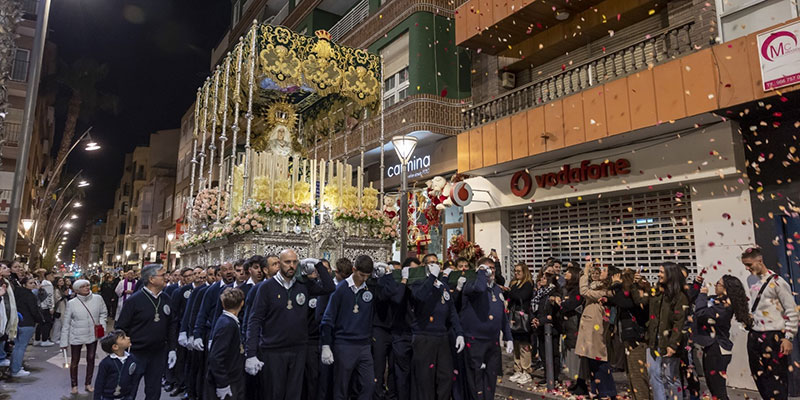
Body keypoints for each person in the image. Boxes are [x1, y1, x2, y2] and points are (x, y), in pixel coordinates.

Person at [245, 249, 335, 400]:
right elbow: (254, 320)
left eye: (294, 262)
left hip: (298, 349)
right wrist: (251, 354)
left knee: (294, 394)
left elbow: (329, 287)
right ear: (279, 264)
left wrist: (318, 264)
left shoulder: (303, 284)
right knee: (274, 394)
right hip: (273, 350)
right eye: (287, 262)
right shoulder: (266, 287)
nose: (291, 265)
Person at [320, 254, 382, 400]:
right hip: (344, 344)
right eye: (361, 275)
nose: (364, 279)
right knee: (341, 387)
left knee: (369, 384)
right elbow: (327, 318)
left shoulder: (370, 288)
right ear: (354, 270)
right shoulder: (340, 289)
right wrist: (326, 345)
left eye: (367, 275)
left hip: (364, 345)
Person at [741, 248, 798, 400]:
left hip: (773, 335)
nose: (747, 268)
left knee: (777, 378)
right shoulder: (750, 279)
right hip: (755, 334)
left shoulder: (778, 282)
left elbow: (792, 310)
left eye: (749, 264)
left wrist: (788, 337)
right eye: (745, 265)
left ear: (760, 261)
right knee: (759, 376)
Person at [115, 264, 178, 400]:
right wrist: (121, 352)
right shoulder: (134, 300)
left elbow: (172, 324)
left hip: (158, 353)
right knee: (130, 389)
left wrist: (172, 348)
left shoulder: (166, 299)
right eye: (163, 275)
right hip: (136, 353)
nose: (167, 278)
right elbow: (121, 327)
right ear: (151, 279)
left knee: (154, 391)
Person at [459, 257, 513, 400]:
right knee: (476, 379)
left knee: (491, 377)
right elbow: (480, 288)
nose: (491, 271)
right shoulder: (471, 285)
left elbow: (502, 315)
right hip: (475, 340)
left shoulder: (496, 289)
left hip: (492, 341)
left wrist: (508, 337)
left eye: (493, 268)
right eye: (487, 268)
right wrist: (481, 273)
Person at [409, 262, 465, 400]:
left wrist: (459, 333)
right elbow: (420, 296)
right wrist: (432, 277)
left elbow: (452, 312)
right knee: (425, 378)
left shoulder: (442, 286)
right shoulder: (418, 284)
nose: (435, 266)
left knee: (446, 375)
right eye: (431, 263)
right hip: (424, 335)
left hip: (441, 336)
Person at [694, 274, 752, 400]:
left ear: (726, 289)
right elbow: (695, 301)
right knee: (712, 387)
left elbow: (702, 314)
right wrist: (697, 285)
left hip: (718, 348)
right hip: (711, 346)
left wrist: (702, 295)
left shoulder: (725, 307)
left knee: (718, 389)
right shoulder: (715, 300)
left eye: (718, 284)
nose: (715, 285)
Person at [643, 262, 689, 400]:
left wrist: (673, 344)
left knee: (670, 377)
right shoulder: (657, 292)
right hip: (654, 340)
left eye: (662, 272)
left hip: (669, 341)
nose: (659, 275)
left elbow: (679, 322)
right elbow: (644, 301)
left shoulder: (680, 296)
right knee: (653, 374)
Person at [606, 268, 650, 400]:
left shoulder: (636, 294)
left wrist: (616, 285)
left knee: (637, 375)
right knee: (631, 373)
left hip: (636, 338)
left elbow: (623, 302)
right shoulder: (629, 294)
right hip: (629, 337)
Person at [575, 262, 616, 399]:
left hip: (596, 327)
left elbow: (584, 291)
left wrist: (585, 272)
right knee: (593, 360)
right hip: (590, 325)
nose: (600, 272)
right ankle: (596, 390)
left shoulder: (605, 290)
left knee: (599, 360)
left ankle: (606, 391)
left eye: (603, 271)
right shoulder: (598, 286)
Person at [60, 279, 108, 393]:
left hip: (92, 334)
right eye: (82, 286)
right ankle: (74, 385)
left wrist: (102, 326)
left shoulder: (98, 298)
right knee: (74, 361)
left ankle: (88, 383)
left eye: (87, 285)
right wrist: (64, 341)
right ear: (77, 290)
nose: (86, 288)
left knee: (91, 359)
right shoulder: (72, 303)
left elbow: (103, 313)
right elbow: (66, 322)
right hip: (76, 334)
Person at [205, 287, 246, 400]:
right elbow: (216, 357)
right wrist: (222, 383)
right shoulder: (228, 324)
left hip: (232, 376)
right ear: (242, 303)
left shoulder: (226, 321)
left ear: (223, 304)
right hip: (228, 379)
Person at [559, 265, 586, 395]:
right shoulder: (567, 289)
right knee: (571, 353)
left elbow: (570, 304)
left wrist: (562, 303)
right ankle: (576, 381)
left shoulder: (577, 290)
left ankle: (581, 382)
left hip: (574, 325)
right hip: (569, 326)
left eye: (568, 272)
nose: (565, 274)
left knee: (577, 355)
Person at [10, 276, 43, 377]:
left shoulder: (16, 294)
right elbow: (34, 310)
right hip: (27, 322)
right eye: (30, 283)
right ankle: (16, 369)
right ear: (24, 284)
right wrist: (40, 319)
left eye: (34, 283)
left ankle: (14, 367)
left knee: (17, 346)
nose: (33, 285)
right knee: (21, 347)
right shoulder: (29, 295)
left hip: (18, 322)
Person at [506, 262, 534, 384]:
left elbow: (521, 296)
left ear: (524, 272)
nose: (516, 273)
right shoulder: (514, 283)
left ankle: (526, 370)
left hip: (522, 317)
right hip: (513, 316)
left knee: (524, 346)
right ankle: (518, 368)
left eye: (519, 271)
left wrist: (510, 291)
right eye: (515, 271)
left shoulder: (528, 284)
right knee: (516, 344)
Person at [94, 330, 141, 400]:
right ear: (115, 347)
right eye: (123, 338)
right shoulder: (105, 363)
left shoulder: (131, 358)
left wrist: (132, 395)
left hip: (125, 396)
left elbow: (135, 379)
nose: (128, 338)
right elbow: (99, 383)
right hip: (108, 397)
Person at [0, 262, 18, 367]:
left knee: (4, 335)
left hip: (6, 313)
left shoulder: (6, 282)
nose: (8, 269)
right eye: (4, 268)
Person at [34, 269, 55, 346]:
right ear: (48, 276)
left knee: (41, 323)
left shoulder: (42, 283)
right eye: (52, 275)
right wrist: (51, 307)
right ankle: (44, 339)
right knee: (47, 323)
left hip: (41, 305)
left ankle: (37, 339)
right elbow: (49, 296)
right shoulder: (48, 284)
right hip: (46, 306)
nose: (53, 277)